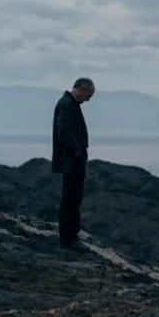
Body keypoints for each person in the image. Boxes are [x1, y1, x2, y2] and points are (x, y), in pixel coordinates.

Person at [51, 77, 94, 248]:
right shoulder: (67, 104)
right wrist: (77, 152)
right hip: (71, 161)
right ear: (81, 90)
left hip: (73, 160)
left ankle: (71, 236)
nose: (88, 99)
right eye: (88, 95)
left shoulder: (70, 104)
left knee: (74, 198)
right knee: (71, 199)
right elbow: (64, 132)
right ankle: (68, 239)